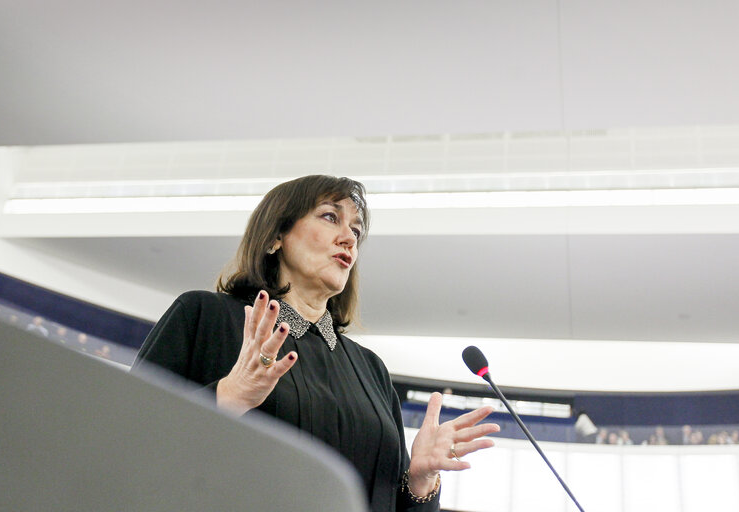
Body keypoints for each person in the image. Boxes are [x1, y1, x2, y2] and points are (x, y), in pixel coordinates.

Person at [131, 175, 499, 511]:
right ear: (276, 236)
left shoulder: (370, 370)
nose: (349, 238)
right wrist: (229, 396)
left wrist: (420, 481)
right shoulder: (205, 317)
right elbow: (126, 440)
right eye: (329, 217)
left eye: (356, 230)